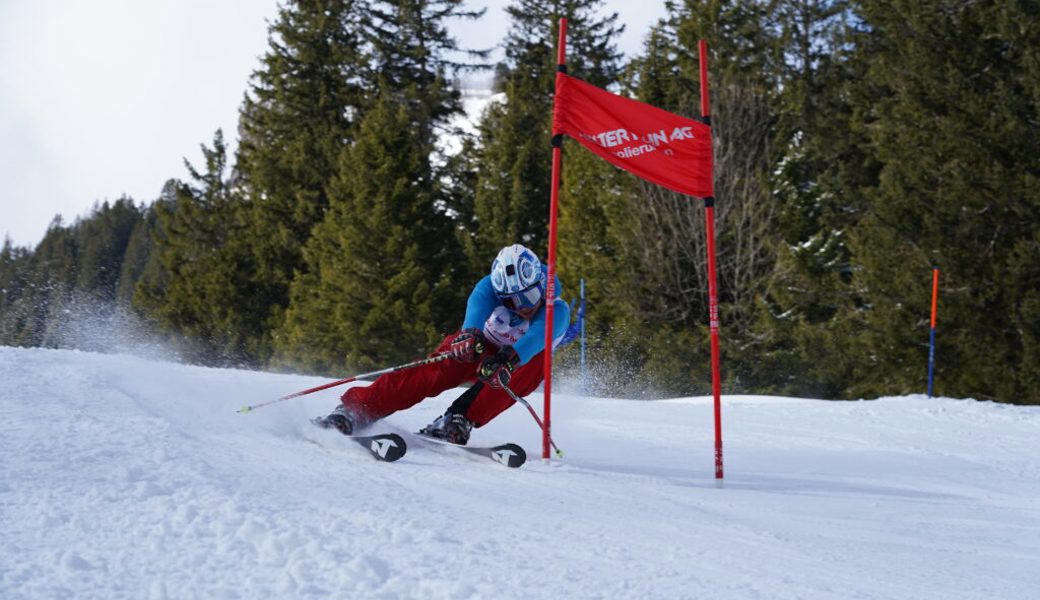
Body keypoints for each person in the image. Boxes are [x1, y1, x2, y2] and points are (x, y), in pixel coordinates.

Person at [319, 244, 571, 445]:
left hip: (519, 358)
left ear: (539, 284)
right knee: (436, 369)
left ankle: (458, 418)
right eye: (512, 301)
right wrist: (468, 336)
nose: (523, 307)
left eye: (529, 296)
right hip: (483, 346)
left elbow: (537, 336)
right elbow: (475, 311)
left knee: (524, 370)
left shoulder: (556, 309)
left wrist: (507, 360)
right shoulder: (488, 288)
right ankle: (359, 408)